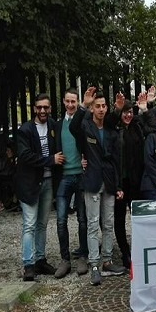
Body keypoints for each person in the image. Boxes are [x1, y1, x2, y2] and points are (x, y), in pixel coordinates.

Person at [70, 87, 125, 286]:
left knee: (108, 223)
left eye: (103, 106)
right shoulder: (85, 126)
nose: (101, 109)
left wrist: (118, 185)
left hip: (109, 181)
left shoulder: (110, 130)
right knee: (93, 223)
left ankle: (107, 261)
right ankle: (94, 264)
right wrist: (83, 105)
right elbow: (73, 127)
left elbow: (116, 159)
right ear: (92, 108)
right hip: (92, 181)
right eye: (97, 106)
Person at [15, 93, 64, 281]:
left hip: (48, 181)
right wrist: (50, 160)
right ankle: (28, 264)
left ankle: (40, 260)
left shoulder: (53, 125)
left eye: (46, 107)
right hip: (29, 184)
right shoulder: (25, 130)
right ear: (34, 109)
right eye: (39, 107)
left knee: (42, 224)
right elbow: (25, 156)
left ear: (50, 108)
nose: (43, 110)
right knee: (29, 224)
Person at [112, 92, 156, 268]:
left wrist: (145, 110)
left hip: (136, 180)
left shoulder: (137, 125)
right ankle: (124, 252)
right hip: (120, 181)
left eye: (130, 111)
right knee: (119, 218)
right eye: (125, 112)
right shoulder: (113, 128)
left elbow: (153, 127)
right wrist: (117, 110)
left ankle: (139, 249)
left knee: (137, 217)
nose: (128, 115)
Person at [53, 88, 89, 278]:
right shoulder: (57, 125)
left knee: (82, 220)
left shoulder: (83, 122)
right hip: (64, 177)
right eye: (67, 101)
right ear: (64, 102)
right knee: (60, 220)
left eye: (73, 101)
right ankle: (65, 259)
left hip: (80, 175)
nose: (70, 105)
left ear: (77, 102)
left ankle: (83, 255)